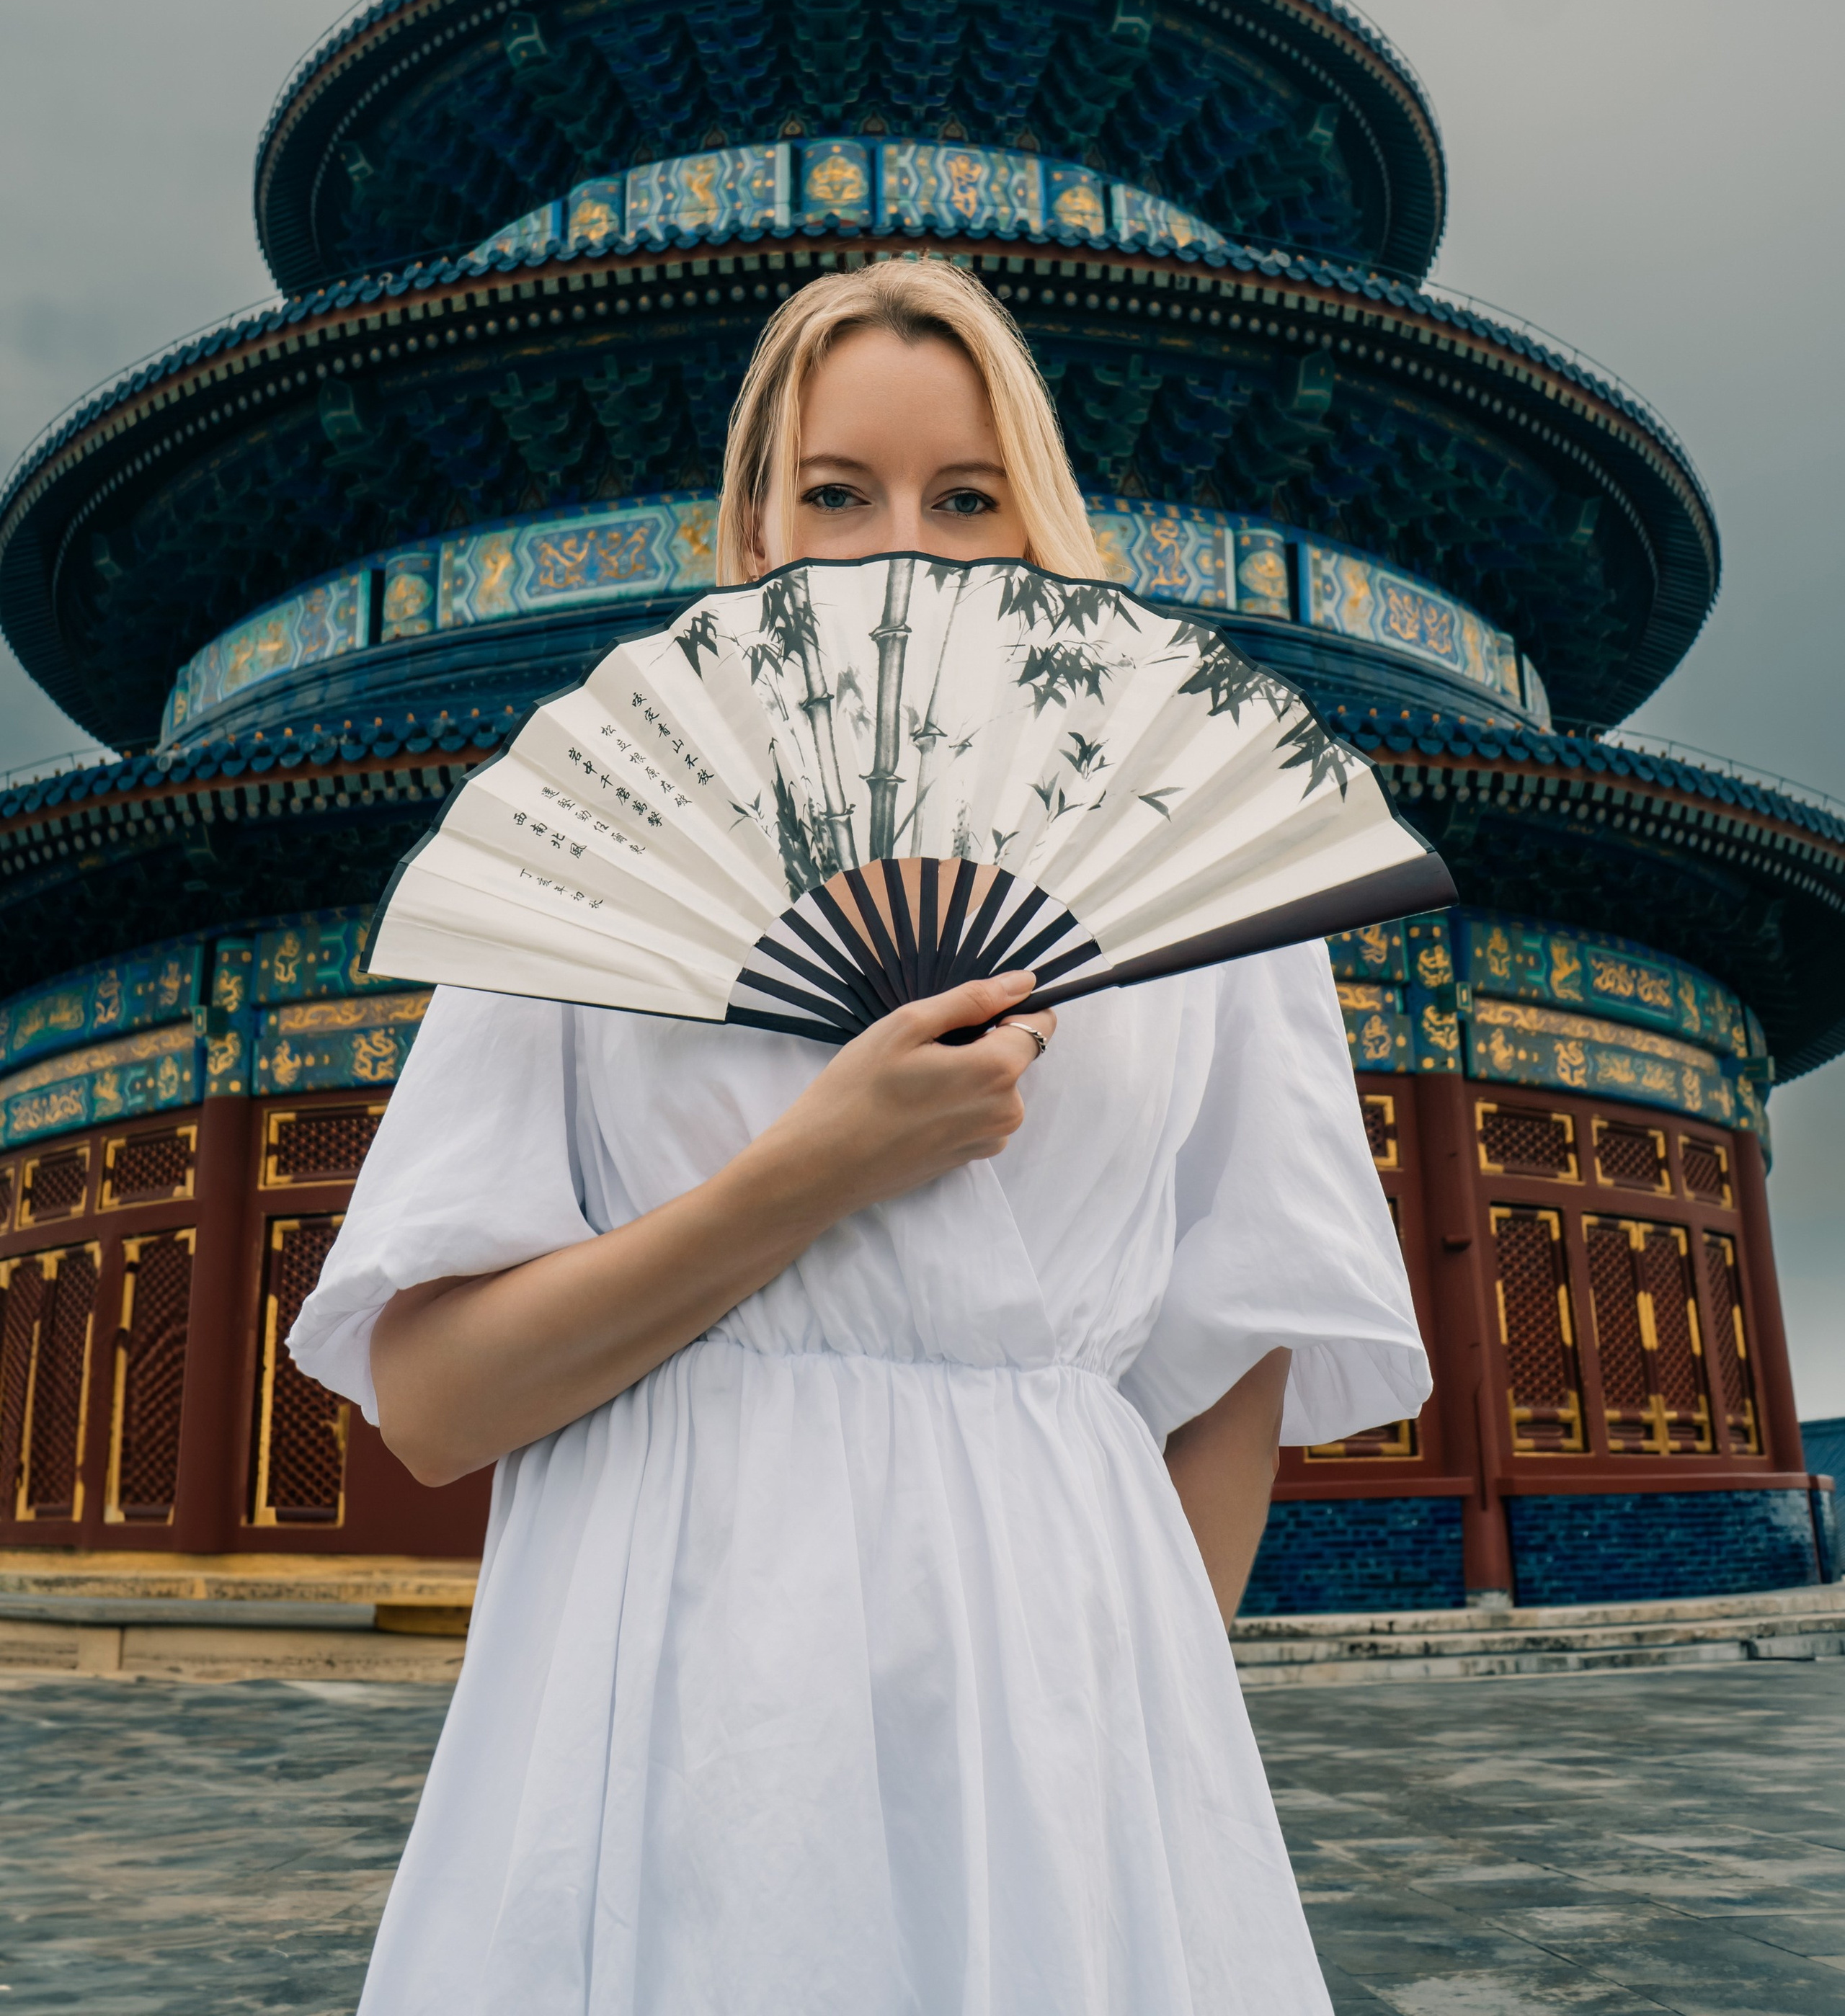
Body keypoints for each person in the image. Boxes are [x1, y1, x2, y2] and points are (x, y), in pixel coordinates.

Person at [291, 257, 1430, 2016]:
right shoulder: (598, 844)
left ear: (1037, 526)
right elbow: (437, 1404)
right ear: (755, 528)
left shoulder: (1201, 877)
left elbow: (1230, 1359)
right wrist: (814, 1166)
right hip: (661, 1645)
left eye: (965, 498)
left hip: (1067, 1660)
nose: (904, 542)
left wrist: (1129, 1713)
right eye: (839, 493)